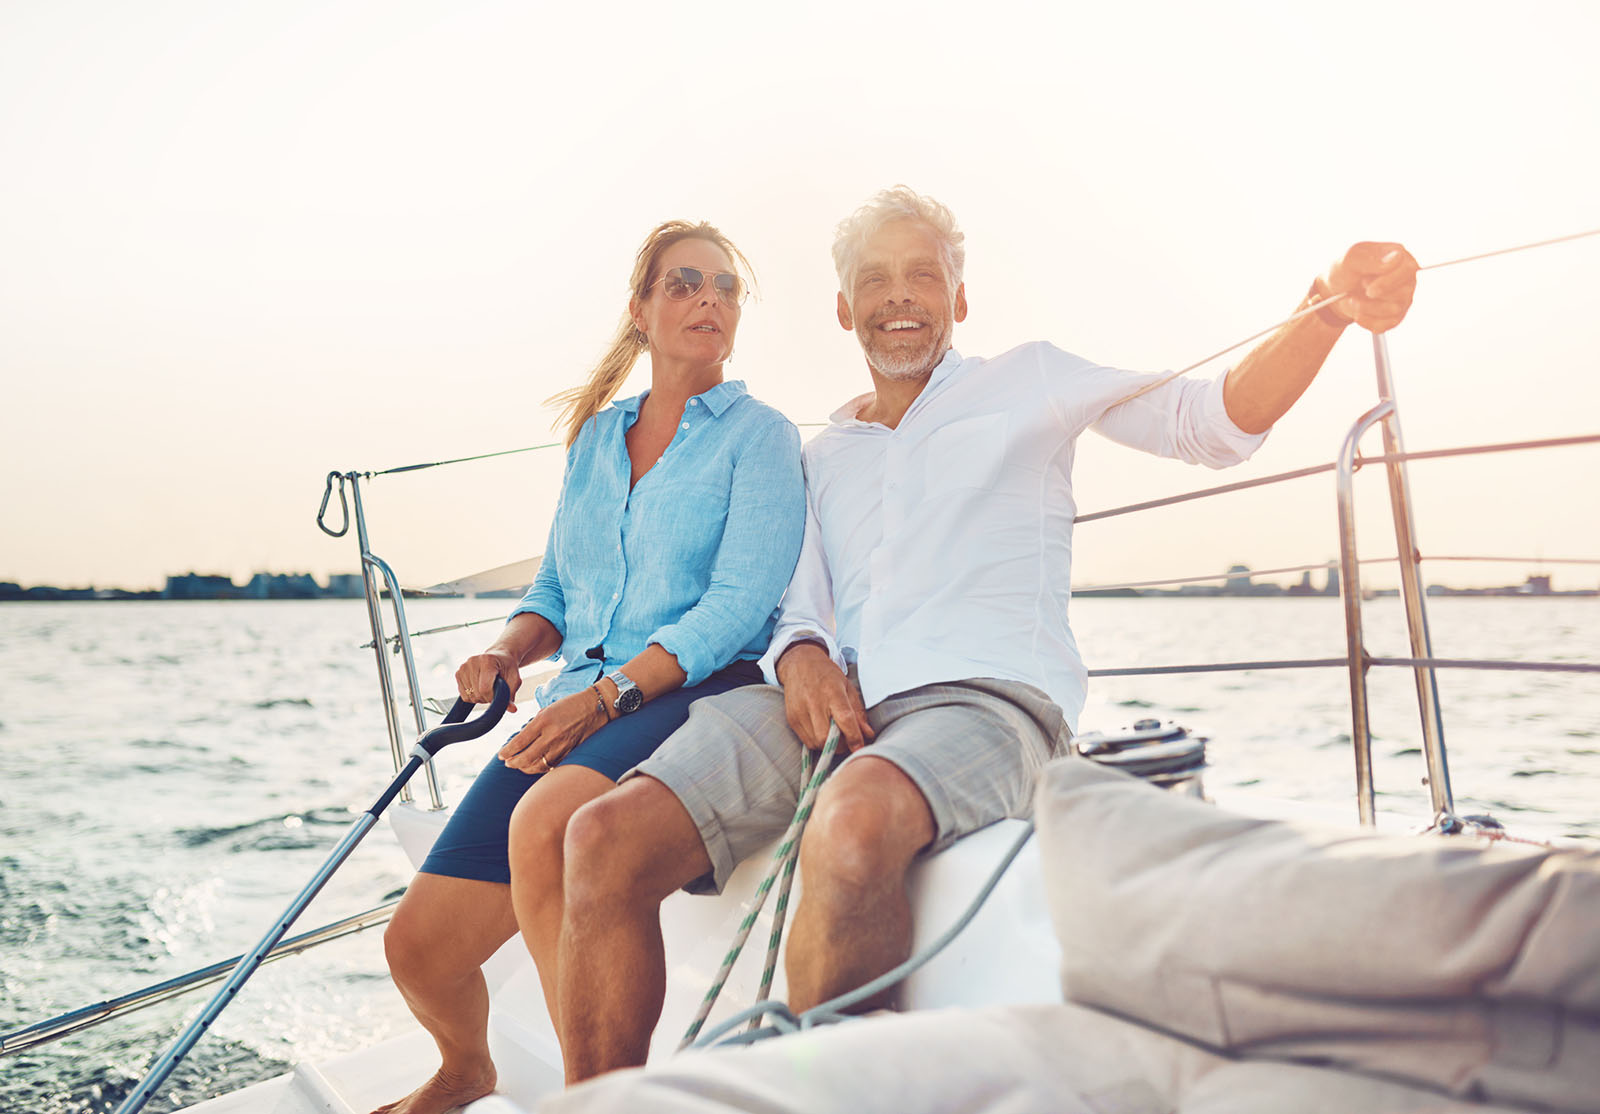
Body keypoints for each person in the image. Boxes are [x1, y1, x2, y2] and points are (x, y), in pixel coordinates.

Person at [550, 187, 1420, 1083]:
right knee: (600, 840)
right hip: (823, 700)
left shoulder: (1030, 381)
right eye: (875, 280)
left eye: (922, 275)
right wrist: (804, 655)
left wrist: (1325, 309)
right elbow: (800, 606)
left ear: (959, 298)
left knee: (852, 827)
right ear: (844, 309)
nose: (899, 296)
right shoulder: (824, 454)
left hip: (987, 699)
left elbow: (1216, 422)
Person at [370, 220, 805, 1114]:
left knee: (549, 823)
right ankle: (466, 1069)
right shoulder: (596, 442)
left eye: (726, 288)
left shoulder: (758, 437)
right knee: (418, 948)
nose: (709, 301)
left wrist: (608, 696)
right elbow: (559, 590)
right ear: (641, 309)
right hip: (577, 699)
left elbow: (737, 608)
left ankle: (593, 1101)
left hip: (689, 690)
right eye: (685, 283)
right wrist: (508, 649)